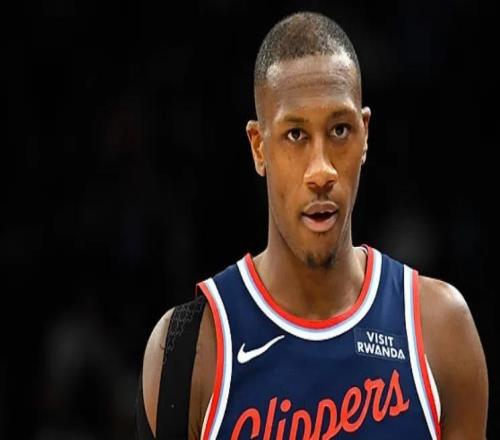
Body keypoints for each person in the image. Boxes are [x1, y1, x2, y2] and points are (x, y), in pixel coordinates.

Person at [135, 11, 488, 440]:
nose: (321, 171)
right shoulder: (191, 349)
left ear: (365, 134)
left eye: (339, 130)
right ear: (258, 147)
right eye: (295, 135)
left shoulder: (441, 331)